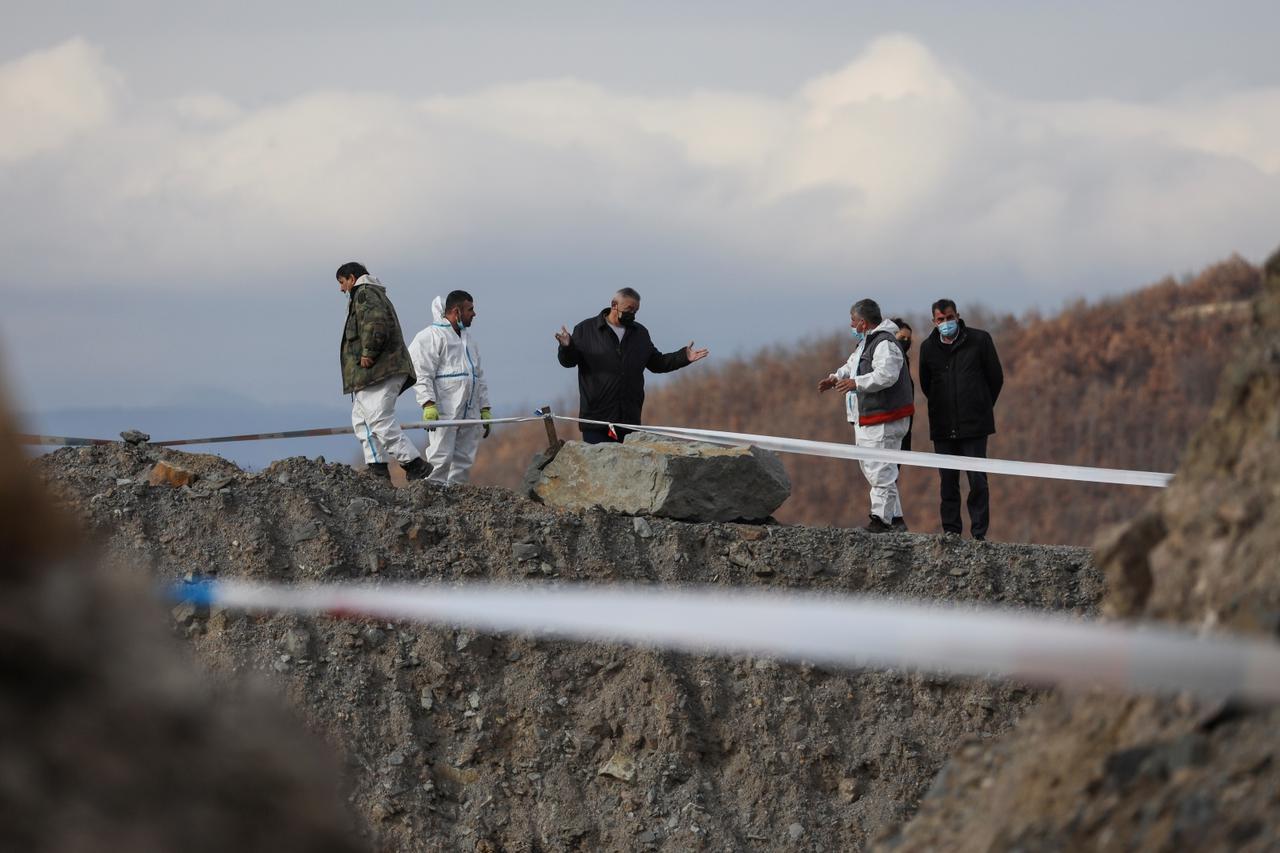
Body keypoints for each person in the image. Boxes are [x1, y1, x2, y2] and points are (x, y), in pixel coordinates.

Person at [555, 288, 709, 443]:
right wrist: (566, 347)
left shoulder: (640, 333)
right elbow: (568, 362)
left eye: (635, 311)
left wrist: (683, 357)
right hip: (596, 422)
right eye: (629, 309)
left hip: (629, 422)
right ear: (614, 305)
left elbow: (658, 363)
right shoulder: (586, 329)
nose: (632, 314)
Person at [819, 299, 914, 533]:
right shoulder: (867, 343)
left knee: (880, 470)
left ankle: (881, 520)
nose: (851, 325)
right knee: (876, 469)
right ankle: (895, 517)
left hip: (883, 418)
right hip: (869, 418)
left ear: (863, 322)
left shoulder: (885, 343)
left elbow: (886, 375)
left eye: (853, 320)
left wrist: (856, 383)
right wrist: (835, 377)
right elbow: (851, 365)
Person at [917, 299, 1004, 541]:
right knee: (948, 482)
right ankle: (951, 531)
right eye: (940, 319)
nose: (946, 323)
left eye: (949, 317)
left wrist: (980, 405)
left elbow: (995, 378)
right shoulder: (928, 348)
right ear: (933, 321)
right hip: (943, 426)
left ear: (957, 316)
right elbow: (927, 385)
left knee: (977, 481)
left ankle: (978, 534)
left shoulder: (980, 340)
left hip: (974, 425)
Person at [337, 262, 431, 481]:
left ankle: (414, 464)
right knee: (362, 419)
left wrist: (368, 351)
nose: (341, 289)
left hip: (381, 369)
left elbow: (376, 322)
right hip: (374, 373)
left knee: (378, 418)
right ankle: (377, 467)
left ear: (352, 278)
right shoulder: (368, 294)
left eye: (342, 282)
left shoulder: (365, 294)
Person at [408, 290, 491, 485]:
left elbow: (478, 376)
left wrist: (484, 408)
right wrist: (428, 403)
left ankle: (456, 495)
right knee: (440, 457)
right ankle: (431, 494)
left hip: (469, 411)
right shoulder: (431, 336)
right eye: (470, 309)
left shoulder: (469, 341)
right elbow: (420, 371)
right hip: (445, 410)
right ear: (456, 311)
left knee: (464, 459)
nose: (474, 313)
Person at [889, 318, 916, 453]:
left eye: (908, 339)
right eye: (902, 338)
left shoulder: (905, 361)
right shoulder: (888, 360)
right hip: (891, 424)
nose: (906, 341)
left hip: (904, 422)